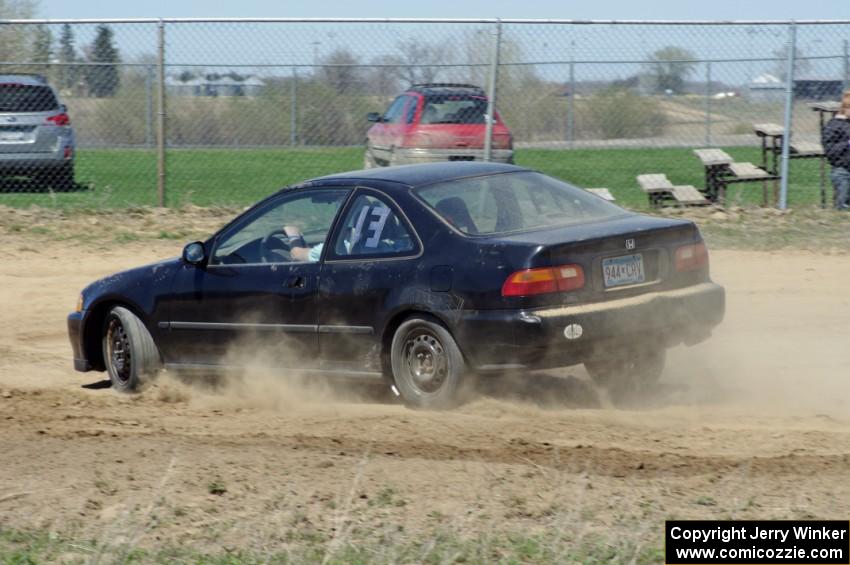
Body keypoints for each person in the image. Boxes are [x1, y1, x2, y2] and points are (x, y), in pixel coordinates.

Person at [822, 89, 850, 210]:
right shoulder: (834, 125)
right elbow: (830, 150)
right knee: (843, 207)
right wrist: (848, 143)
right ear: (846, 108)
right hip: (843, 171)